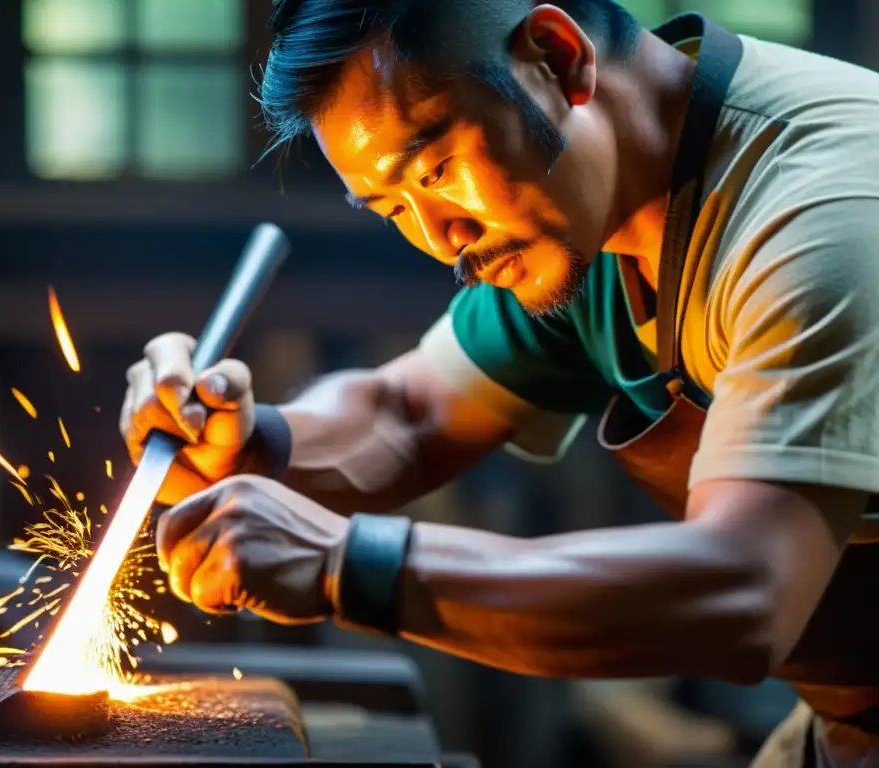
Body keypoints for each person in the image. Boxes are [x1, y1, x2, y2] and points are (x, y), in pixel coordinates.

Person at [119, 2, 879, 764]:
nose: (439, 237)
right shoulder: (597, 205)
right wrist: (247, 443)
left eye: (436, 169)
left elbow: (745, 594)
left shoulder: (822, 214)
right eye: (392, 208)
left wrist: (348, 564)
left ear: (555, 57)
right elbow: (409, 414)